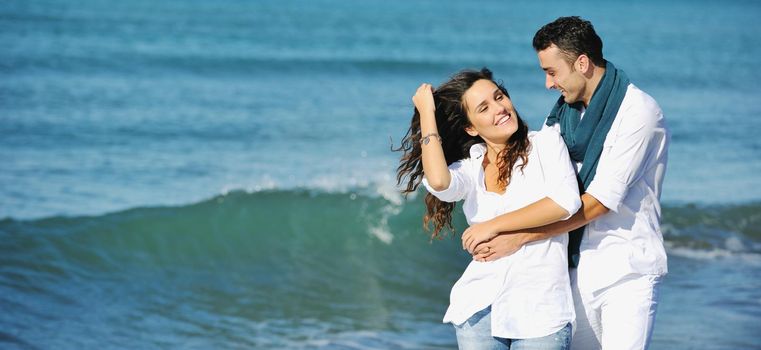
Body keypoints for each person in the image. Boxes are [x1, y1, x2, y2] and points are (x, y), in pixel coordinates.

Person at [467, 17, 670, 350]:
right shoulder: (563, 116)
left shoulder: (639, 112)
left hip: (626, 272)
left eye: (552, 72)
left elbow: (598, 201)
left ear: (582, 63)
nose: (548, 84)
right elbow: (536, 181)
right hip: (572, 272)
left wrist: (519, 238)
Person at [395, 68, 581, 349]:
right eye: (484, 107)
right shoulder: (471, 167)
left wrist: (492, 225)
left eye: (499, 96)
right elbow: (439, 181)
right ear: (471, 127)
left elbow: (565, 202)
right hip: (479, 307)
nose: (500, 108)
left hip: (540, 311)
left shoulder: (545, 144)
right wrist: (427, 114)